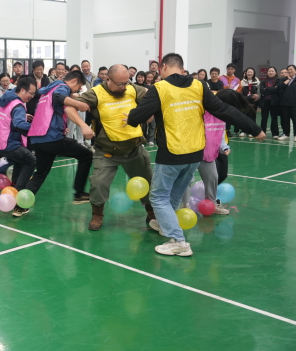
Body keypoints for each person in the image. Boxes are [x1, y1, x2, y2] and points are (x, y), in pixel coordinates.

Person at [126, 53, 264, 257]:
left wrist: (130, 116)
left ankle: (178, 241)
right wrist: (254, 128)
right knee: (174, 194)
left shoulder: (160, 88)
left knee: (158, 196)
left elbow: (137, 117)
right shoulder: (199, 86)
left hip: (172, 153)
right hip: (195, 153)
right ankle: (166, 225)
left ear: (163, 67)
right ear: (181, 68)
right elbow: (224, 110)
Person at [75, 65, 158, 231]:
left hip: (134, 148)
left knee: (148, 181)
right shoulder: (96, 93)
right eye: (120, 84)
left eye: (126, 82)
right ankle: (97, 214)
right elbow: (70, 107)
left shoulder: (133, 88)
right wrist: (83, 126)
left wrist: (147, 114)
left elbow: (152, 97)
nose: (124, 87)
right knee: (98, 183)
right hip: (106, 151)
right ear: (108, 79)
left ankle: (152, 212)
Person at [25, 71, 94, 206]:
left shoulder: (47, 90)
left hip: (37, 138)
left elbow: (53, 110)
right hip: (51, 138)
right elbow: (58, 98)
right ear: (74, 81)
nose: (75, 90)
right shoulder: (62, 87)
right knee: (86, 155)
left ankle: (20, 205)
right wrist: (78, 106)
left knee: (40, 174)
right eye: (78, 87)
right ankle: (79, 193)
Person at [0, 76, 37, 216]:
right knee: (30, 161)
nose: (32, 96)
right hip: (9, 143)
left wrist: (22, 116)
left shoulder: (8, 98)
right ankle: (19, 200)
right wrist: (36, 128)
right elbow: (18, 124)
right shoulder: (18, 106)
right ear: (22, 90)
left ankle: (13, 189)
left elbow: (8, 117)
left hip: (0, 141)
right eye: (31, 93)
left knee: (19, 162)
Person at [238, 68, 260, 137]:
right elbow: (240, 91)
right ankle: (243, 130)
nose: (249, 73)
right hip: (245, 100)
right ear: (245, 73)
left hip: (253, 101)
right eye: (248, 72)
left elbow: (259, 92)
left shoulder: (257, 82)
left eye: (251, 72)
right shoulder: (242, 82)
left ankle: (252, 131)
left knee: (252, 115)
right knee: (244, 115)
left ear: (253, 73)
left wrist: (257, 97)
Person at [260, 66, 280, 139]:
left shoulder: (278, 81)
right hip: (265, 102)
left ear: (275, 72)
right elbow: (262, 90)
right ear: (267, 72)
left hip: (274, 102)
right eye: (269, 71)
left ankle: (275, 133)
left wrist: (267, 88)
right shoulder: (263, 81)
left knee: (274, 118)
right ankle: (262, 133)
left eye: (272, 71)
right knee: (264, 118)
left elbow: (276, 90)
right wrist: (272, 89)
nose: (270, 72)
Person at [278, 65, 296, 141]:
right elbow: (279, 87)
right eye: (288, 69)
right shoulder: (283, 79)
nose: (289, 71)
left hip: (294, 104)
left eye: (291, 69)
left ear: (295, 71)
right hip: (284, 103)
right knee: (285, 120)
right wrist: (288, 80)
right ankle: (286, 134)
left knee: (295, 120)